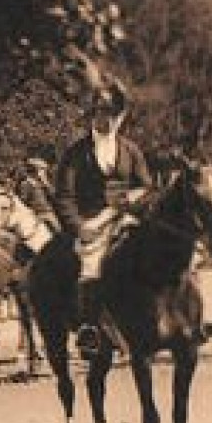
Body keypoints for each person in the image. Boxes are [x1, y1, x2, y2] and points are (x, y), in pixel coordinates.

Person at [54, 83, 153, 356]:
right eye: (100, 112)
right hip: (93, 221)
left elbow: (146, 184)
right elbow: (64, 195)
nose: (106, 119)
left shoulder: (130, 150)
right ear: (92, 115)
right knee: (91, 262)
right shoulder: (76, 154)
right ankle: (90, 329)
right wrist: (79, 227)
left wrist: (136, 198)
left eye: (112, 113)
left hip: (127, 217)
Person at [18, 155, 60, 233]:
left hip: (49, 212)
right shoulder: (26, 183)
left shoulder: (43, 182)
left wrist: (46, 183)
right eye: (41, 170)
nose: (43, 172)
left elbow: (55, 196)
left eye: (43, 170)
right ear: (35, 170)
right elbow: (23, 202)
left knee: (59, 233)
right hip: (37, 214)